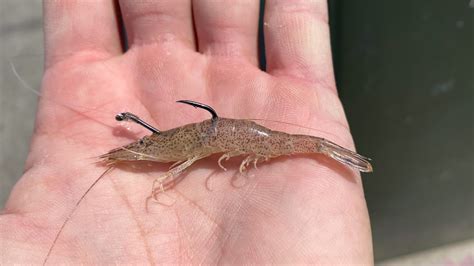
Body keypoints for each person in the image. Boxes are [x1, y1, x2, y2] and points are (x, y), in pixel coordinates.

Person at [1, 1, 373, 264]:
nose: (145, 146)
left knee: (174, 148)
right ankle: (327, 148)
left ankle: (328, 149)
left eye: (146, 143)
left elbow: (186, 153)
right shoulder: (187, 139)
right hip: (230, 137)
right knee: (166, 144)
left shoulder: (200, 144)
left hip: (263, 142)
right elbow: (179, 146)